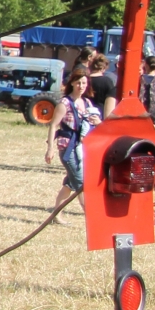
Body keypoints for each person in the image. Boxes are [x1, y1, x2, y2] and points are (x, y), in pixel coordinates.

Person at [45, 67, 102, 208]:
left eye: (83, 83)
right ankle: (89, 213)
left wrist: (97, 122)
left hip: (83, 148)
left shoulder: (87, 103)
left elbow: (91, 124)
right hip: (68, 147)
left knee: (70, 184)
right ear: (72, 83)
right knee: (81, 182)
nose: (81, 86)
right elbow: (53, 125)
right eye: (78, 83)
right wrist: (50, 149)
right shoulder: (64, 103)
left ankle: (55, 214)